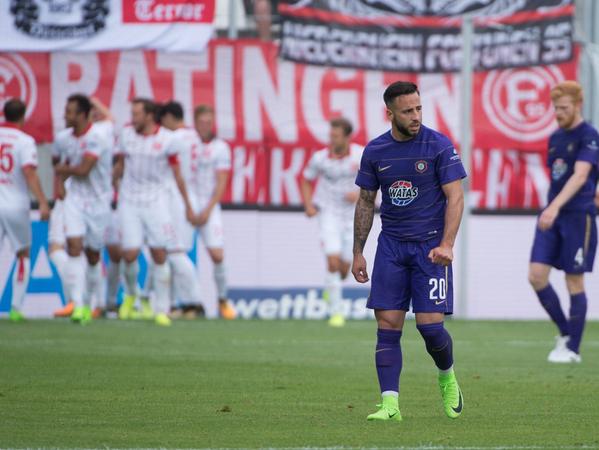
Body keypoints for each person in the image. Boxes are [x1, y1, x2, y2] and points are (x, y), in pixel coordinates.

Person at [352, 81, 466, 422]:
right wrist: (358, 252)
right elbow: (366, 201)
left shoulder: (438, 145)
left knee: (430, 328)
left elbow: (456, 197)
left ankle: (447, 377)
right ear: (390, 114)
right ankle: (390, 405)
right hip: (391, 247)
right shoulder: (375, 151)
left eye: (418, 109)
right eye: (407, 111)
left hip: (430, 248)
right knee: (387, 324)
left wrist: (447, 243)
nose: (415, 116)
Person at [528, 81, 599, 364]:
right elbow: (558, 176)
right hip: (553, 215)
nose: (558, 112)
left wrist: (554, 207)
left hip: (576, 216)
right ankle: (566, 333)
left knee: (574, 280)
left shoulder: (589, 135)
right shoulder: (555, 137)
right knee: (536, 276)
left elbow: (581, 176)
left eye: (563, 108)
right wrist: (552, 208)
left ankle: (573, 350)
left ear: (578, 106)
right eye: (555, 107)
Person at [113, 98, 194, 326]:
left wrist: (187, 204)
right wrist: (114, 184)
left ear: (149, 116)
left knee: (160, 254)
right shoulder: (126, 135)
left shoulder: (167, 140)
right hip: (129, 201)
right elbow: (119, 164)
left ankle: (161, 308)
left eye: (137, 114)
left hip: (156, 202)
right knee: (129, 254)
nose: (133, 118)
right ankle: (131, 295)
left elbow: (177, 174)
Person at [53, 94, 113, 324]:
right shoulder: (62, 138)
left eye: (69, 112)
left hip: (98, 201)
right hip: (75, 199)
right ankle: (77, 304)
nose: (65, 116)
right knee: (74, 246)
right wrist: (59, 187)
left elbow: (84, 169)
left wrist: (63, 171)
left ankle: (89, 303)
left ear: (81, 115)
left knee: (93, 254)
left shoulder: (97, 138)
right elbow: (56, 163)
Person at [301, 117, 362, 327]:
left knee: (345, 268)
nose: (331, 139)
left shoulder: (360, 155)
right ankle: (336, 312)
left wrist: (360, 193)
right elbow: (306, 180)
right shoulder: (320, 158)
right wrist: (309, 205)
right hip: (328, 213)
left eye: (336, 136)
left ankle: (331, 289)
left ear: (347, 137)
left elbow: (376, 179)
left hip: (353, 216)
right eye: (330, 135)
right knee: (333, 263)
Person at [0, 98, 50, 321]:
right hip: (15, 204)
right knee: (23, 254)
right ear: (22, 116)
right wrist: (42, 201)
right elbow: (29, 172)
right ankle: (16, 308)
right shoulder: (24, 140)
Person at [190, 105, 236, 319]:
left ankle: (223, 300)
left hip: (209, 205)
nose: (205, 126)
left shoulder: (221, 147)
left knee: (217, 254)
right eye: (202, 122)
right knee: (170, 253)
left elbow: (221, 182)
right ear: (195, 121)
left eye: (209, 122)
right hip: (184, 205)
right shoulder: (185, 143)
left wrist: (208, 209)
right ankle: (183, 303)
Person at [158, 101, 203, 317]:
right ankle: (175, 304)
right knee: (171, 253)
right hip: (190, 194)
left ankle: (194, 301)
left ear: (169, 118)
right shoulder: (194, 136)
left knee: (174, 251)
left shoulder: (173, 139)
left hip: (178, 197)